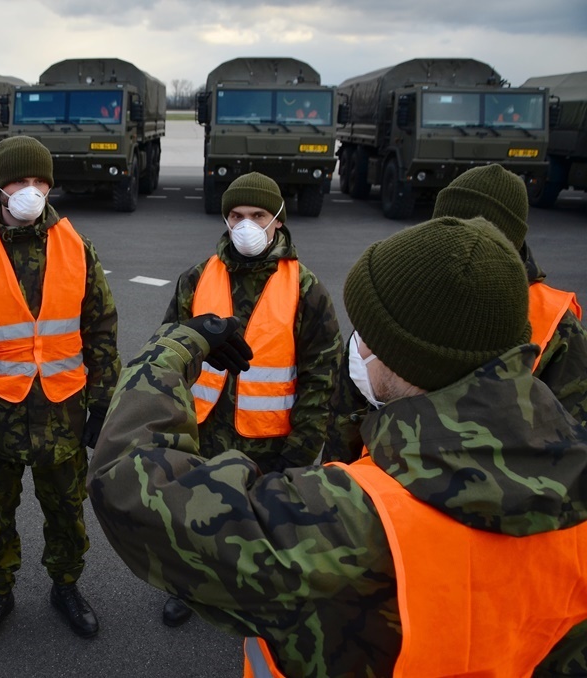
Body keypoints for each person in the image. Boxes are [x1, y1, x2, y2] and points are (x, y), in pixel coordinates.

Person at [88, 216, 587, 677]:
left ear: (407, 356)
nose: (359, 345)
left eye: (369, 333)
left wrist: (171, 348)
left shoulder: (344, 525)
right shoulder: (571, 470)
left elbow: (130, 484)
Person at [0, 135, 120, 649]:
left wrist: (101, 405)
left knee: (66, 509)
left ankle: (66, 586)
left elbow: (101, 330)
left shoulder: (76, 246)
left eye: (41, 182)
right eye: (20, 181)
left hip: (63, 410)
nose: (32, 191)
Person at [158, 172, 341, 627]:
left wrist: (301, 450)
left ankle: (249, 595)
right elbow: (165, 352)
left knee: (259, 525)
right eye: (237, 215)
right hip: (199, 433)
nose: (246, 225)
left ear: (277, 220)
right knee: (196, 516)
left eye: (258, 215)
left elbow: (323, 375)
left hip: (269, 442)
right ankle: (193, 586)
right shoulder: (196, 279)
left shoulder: (306, 289)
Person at [327, 163, 587, 462]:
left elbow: (570, 431)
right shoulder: (399, 285)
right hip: (378, 483)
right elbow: (348, 407)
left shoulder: (557, 325)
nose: (460, 242)